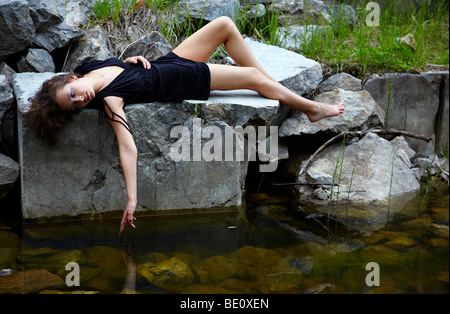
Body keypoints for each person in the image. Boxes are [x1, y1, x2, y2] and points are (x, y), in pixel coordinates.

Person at [25, 16, 344, 232]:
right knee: (251, 78)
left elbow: (116, 66)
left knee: (224, 24)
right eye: (76, 105)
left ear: (70, 77)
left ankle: (270, 85)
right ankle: (311, 108)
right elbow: (128, 147)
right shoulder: (109, 101)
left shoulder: (90, 66)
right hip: (183, 80)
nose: (80, 99)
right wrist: (132, 199)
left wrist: (129, 62)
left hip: (169, 61)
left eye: (72, 93)